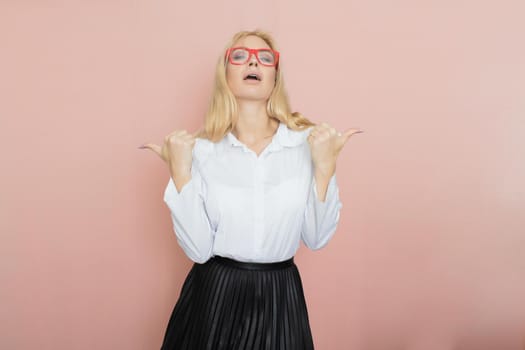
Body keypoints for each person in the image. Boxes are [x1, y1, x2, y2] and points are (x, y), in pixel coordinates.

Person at [140, 29, 363, 350]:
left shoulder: (307, 144)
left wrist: (326, 167)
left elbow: (316, 238)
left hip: (280, 295)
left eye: (265, 57)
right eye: (240, 56)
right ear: (225, 74)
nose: (253, 62)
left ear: (275, 76)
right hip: (215, 294)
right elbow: (198, 250)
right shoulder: (201, 150)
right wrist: (180, 173)